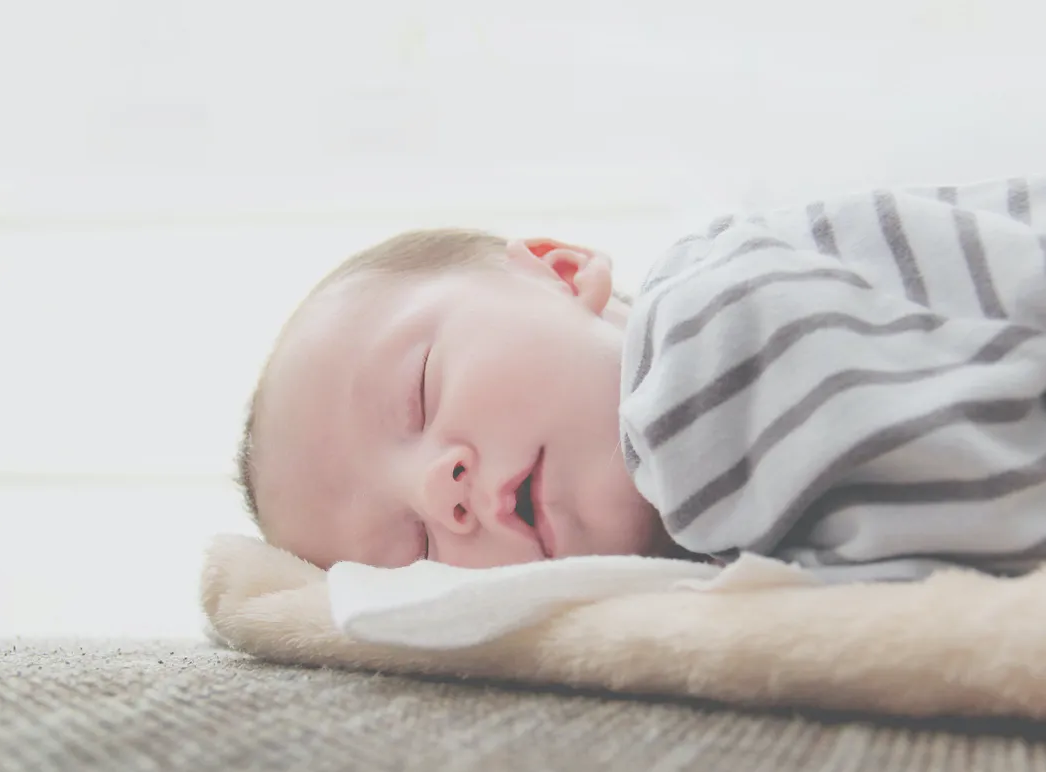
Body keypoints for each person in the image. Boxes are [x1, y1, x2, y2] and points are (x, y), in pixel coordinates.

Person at [237, 177, 1046, 584]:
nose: (436, 489)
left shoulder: (695, 352)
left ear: (559, 270)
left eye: (418, 388)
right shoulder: (696, 540)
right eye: (411, 554)